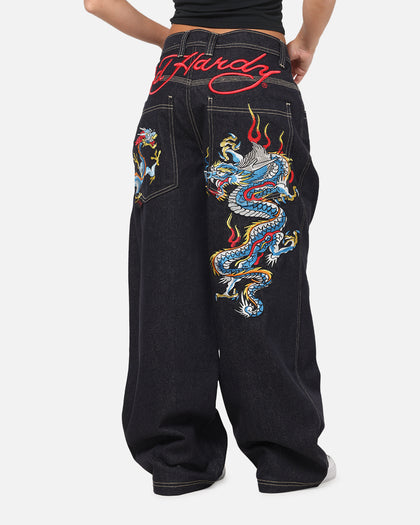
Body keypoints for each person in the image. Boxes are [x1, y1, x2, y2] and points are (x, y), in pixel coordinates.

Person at [84, 0, 337, 496]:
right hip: (255, 73)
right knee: (261, 273)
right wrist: (307, 40)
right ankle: (285, 456)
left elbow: (97, 2)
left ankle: (178, 459)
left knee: (168, 271)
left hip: (173, 78)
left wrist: (172, 40)